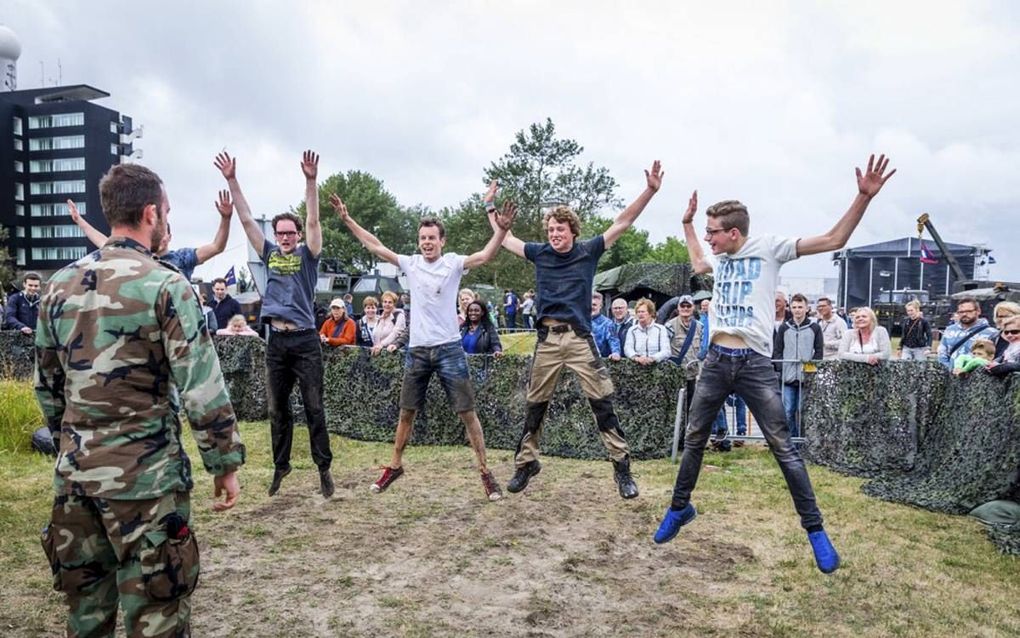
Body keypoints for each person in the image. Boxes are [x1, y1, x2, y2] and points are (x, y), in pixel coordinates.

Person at [656, 154, 896, 576]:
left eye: (714, 232)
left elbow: (833, 239)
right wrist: (688, 224)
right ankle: (680, 508)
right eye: (707, 233)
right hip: (716, 360)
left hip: (753, 363)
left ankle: (816, 531)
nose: (710, 239)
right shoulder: (720, 259)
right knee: (694, 439)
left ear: (734, 232)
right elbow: (697, 261)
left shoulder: (770, 248)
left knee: (784, 448)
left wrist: (863, 198)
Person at [35, 163, 244, 637]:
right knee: (156, 616)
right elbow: (201, 386)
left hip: (76, 484)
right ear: (151, 213)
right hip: (146, 487)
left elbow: (48, 389)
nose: (167, 221)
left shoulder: (57, 287)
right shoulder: (168, 286)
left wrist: (76, 440)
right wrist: (224, 463)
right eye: (166, 211)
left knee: (86, 616)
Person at [332, 186, 517, 501]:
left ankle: (486, 473)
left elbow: (486, 255)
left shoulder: (454, 264)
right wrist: (348, 220)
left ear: (442, 241)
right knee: (406, 412)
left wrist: (502, 229)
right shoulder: (411, 263)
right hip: (417, 351)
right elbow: (376, 246)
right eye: (423, 238)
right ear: (419, 242)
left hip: (449, 349)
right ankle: (394, 466)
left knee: (467, 412)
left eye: (432, 238)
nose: (427, 242)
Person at [496, 161, 663, 499]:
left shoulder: (587, 251)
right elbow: (505, 239)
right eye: (550, 230)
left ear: (572, 230)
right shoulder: (540, 253)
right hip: (547, 340)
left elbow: (623, 221)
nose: (555, 235)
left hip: (579, 340)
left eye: (560, 229)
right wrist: (492, 212)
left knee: (602, 403)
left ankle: (622, 468)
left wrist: (650, 190)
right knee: (535, 404)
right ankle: (526, 463)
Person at [216, 150, 335, 498]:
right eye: (280, 233)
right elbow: (247, 219)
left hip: (305, 342)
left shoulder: (308, 255)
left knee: (314, 407)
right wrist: (232, 180)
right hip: (277, 344)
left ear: (297, 235)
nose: (284, 238)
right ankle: (281, 467)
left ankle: (323, 469)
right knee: (277, 409)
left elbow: (314, 222)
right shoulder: (268, 254)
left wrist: (311, 182)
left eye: (289, 233)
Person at [67, 190, 233, 282]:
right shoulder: (137, 256)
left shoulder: (182, 258)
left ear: (169, 237)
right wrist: (79, 221)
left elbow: (217, 246)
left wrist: (225, 218)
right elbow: (105, 242)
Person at [773, 293, 823, 438]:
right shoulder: (784, 327)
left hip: (805, 377)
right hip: (787, 377)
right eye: (794, 307)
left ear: (807, 308)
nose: (797, 310)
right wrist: (782, 369)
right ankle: (792, 441)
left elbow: (819, 352)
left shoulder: (814, 328)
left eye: (800, 307)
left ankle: (803, 440)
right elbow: (777, 350)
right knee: (788, 410)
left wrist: (809, 371)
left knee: (802, 410)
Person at [666, 295, 704, 432]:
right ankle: (676, 437)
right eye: (683, 306)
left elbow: (704, 349)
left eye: (688, 306)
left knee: (692, 407)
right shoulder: (669, 326)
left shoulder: (700, 327)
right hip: (675, 374)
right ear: (678, 308)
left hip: (692, 375)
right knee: (675, 407)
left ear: (693, 308)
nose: (685, 309)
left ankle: (689, 435)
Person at [937, 297, 998, 370]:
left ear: (978, 311)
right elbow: (942, 354)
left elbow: (994, 357)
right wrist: (949, 371)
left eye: (969, 311)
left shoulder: (992, 333)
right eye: (961, 312)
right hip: (951, 375)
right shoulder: (949, 330)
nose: (964, 314)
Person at [624, 298, 671, 365]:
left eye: (643, 312)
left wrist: (653, 358)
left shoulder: (661, 329)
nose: (640, 314)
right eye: (638, 312)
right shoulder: (632, 330)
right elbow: (628, 349)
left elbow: (666, 351)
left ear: (650, 313)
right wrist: (636, 358)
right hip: (637, 367)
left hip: (657, 367)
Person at [370, 290, 407, 355]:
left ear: (394, 304)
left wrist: (381, 345)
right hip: (378, 353)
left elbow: (395, 333)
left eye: (390, 302)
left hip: (393, 354)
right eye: (385, 302)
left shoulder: (399, 315)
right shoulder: (380, 318)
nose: (387, 304)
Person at [590, 292, 622, 360]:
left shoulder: (607, 324)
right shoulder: (579, 322)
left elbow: (613, 340)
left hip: (601, 362)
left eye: (594, 305)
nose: (591, 307)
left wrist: (616, 353)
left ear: (600, 306)